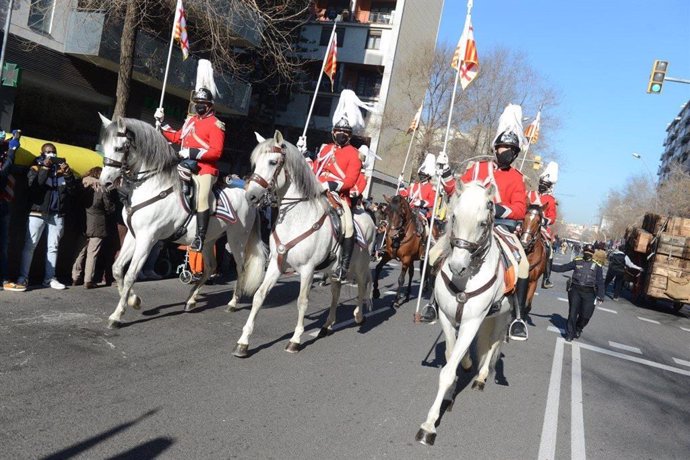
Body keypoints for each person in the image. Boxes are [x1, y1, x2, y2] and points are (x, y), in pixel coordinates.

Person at [156, 59, 225, 252]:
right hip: (184, 165)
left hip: (205, 170)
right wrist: (162, 124)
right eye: (197, 103)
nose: (199, 106)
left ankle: (200, 238)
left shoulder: (216, 124)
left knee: (202, 197)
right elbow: (178, 137)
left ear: (210, 105)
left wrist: (192, 152)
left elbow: (216, 152)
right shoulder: (191, 120)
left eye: (202, 103)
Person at [4, 144, 78, 291]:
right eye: (48, 152)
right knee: (30, 245)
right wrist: (44, 168)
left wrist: (68, 173)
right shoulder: (36, 165)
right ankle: (23, 277)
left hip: (57, 213)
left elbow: (72, 190)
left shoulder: (62, 169)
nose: (51, 155)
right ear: (42, 153)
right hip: (37, 212)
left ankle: (49, 278)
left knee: (53, 247)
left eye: (53, 152)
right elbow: (34, 186)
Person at [313, 116, 361, 282]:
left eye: (345, 132)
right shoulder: (325, 149)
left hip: (338, 196)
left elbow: (350, 180)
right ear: (333, 132)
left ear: (350, 135)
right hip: (317, 190)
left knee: (348, 227)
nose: (341, 134)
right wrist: (304, 155)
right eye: (338, 131)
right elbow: (314, 168)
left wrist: (332, 186)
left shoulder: (354, 154)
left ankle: (343, 266)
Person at [71, 167, 116, 289]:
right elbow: (109, 208)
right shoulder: (102, 190)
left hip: (83, 223)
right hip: (98, 224)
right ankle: (88, 280)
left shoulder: (83, 187)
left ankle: (75, 277)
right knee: (92, 253)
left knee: (80, 251)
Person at [551, 244, 605, 341]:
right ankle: (570, 333)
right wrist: (549, 266)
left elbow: (600, 282)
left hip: (589, 293)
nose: (587, 254)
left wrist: (601, 296)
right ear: (583, 252)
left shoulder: (597, 265)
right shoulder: (577, 261)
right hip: (575, 290)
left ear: (593, 254)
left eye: (590, 253)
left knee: (586, 315)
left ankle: (579, 328)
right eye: (586, 252)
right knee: (573, 312)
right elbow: (563, 268)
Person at [527, 161, 559, 288]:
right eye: (541, 183)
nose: (542, 186)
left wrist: (545, 220)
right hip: (527, 225)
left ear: (549, 186)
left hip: (542, 228)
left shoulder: (550, 200)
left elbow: (553, 217)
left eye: (545, 184)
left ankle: (546, 277)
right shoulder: (530, 194)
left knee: (548, 249)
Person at [0, 130, 20, 287]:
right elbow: (3, 173)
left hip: (3, 205)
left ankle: (4, 277)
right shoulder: (7, 157)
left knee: (3, 244)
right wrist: (12, 151)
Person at [400, 153, 437, 235]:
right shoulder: (414, 185)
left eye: (423, 175)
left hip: (421, 210)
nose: (421, 177)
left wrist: (421, 202)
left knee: (420, 222)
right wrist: (401, 184)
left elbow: (432, 201)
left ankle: (423, 238)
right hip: (410, 208)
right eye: (420, 175)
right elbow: (403, 194)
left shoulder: (431, 188)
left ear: (428, 176)